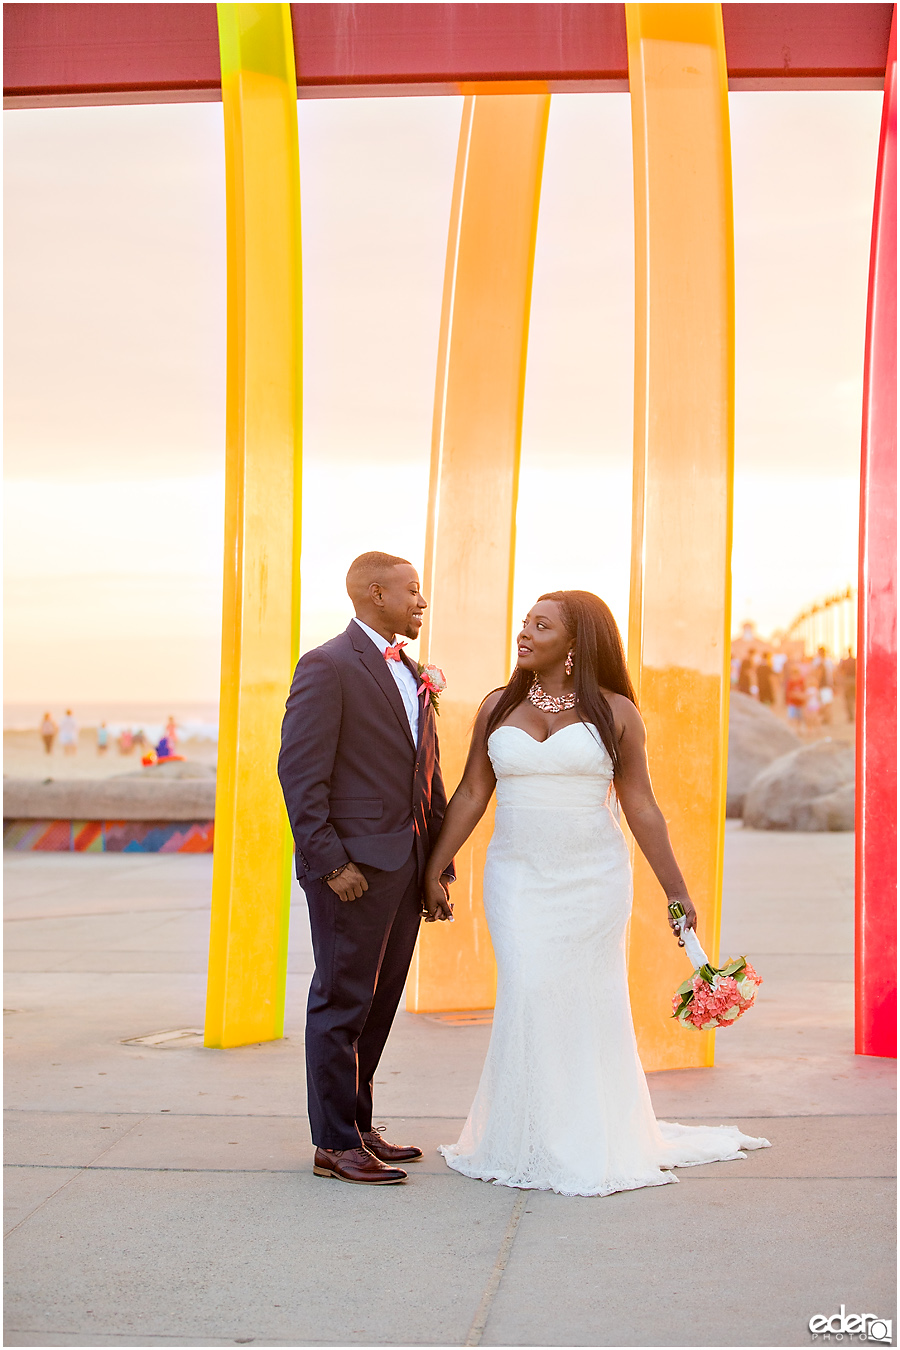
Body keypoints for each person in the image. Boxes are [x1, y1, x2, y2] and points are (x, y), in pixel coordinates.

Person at [423, 590, 769, 1197]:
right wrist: (436, 865)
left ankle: (584, 1134)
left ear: (575, 641)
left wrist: (676, 890)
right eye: (525, 622)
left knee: (585, 1001)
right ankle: (525, 1135)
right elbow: (473, 792)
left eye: (541, 624)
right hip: (517, 878)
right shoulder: (496, 706)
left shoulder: (617, 713)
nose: (524, 632)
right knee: (529, 990)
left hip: (592, 880)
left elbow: (640, 804)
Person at [278, 552, 455, 1187]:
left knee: (379, 1002)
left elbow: (425, 773)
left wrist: (437, 865)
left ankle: (357, 1122)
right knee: (341, 999)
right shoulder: (326, 666)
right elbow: (300, 776)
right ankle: (332, 1143)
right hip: (351, 869)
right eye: (412, 591)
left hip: (405, 864)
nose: (421, 601)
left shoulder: (411, 670)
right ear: (374, 593)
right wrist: (329, 864)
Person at [784, 662, 806, 727]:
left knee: (799, 718)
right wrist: (797, 695)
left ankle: (798, 729)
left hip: (799, 703)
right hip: (792, 703)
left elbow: (803, 691)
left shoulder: (801, 681)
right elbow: (789, 693)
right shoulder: (790, 682)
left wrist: (800, 696)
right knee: (791, 717)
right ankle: (792, 729)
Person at [838, 648, 857, 722]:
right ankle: (855, 715)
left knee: (848, 699)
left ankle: (850, 716)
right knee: (855, 699)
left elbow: (840, 671)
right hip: (854, 680)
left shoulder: (845, 661)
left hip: (847, 680)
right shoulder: (855, 661)